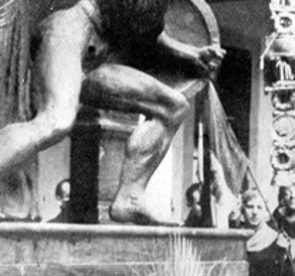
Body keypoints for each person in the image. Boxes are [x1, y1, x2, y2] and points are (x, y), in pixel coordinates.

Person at [0, 0, 225, 225]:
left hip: (98, 53)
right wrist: (187, 53)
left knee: (173, 107)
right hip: (71, 31)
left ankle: (130, 198)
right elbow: (132, 12)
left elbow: (147, 26)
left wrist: (191, 54)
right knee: (56, 121)